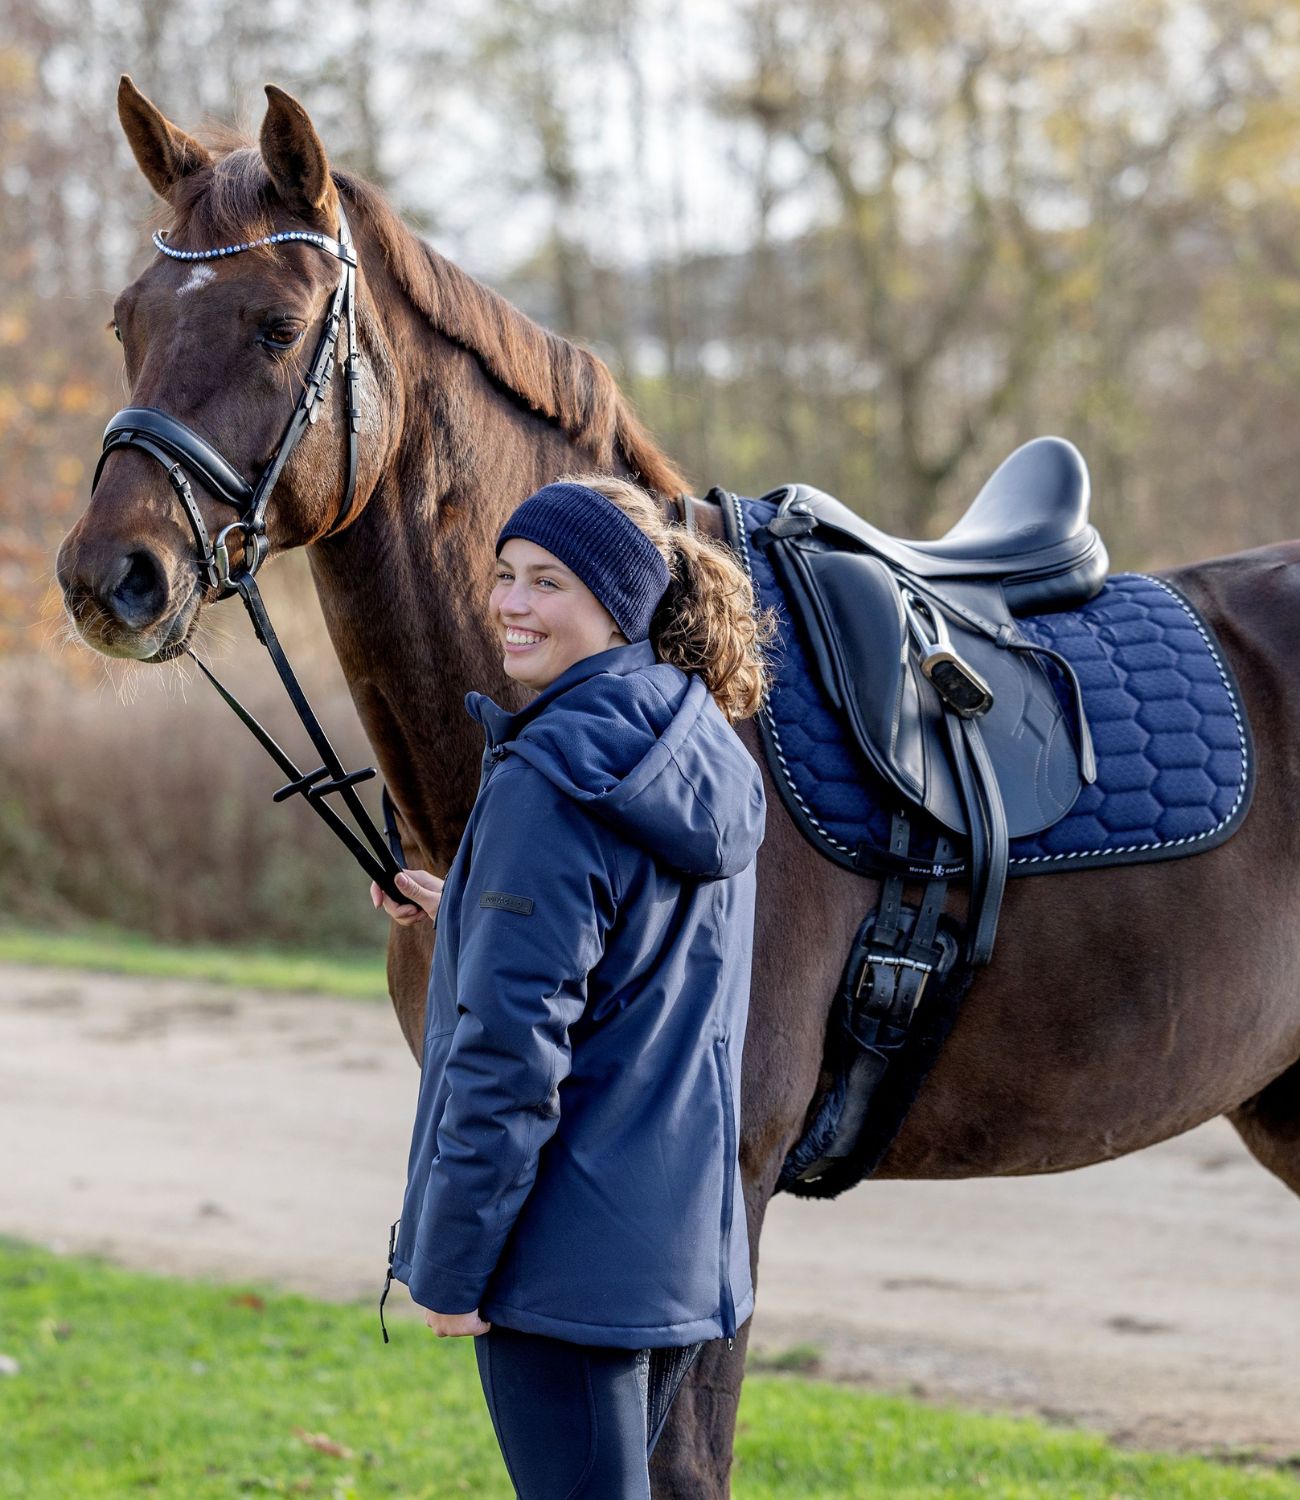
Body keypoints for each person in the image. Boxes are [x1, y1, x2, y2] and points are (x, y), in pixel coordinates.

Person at [373, 474, 775, 1498]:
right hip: (670, 1252)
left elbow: (509, 1061)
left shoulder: (546, 784)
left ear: (619, 604)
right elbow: (632, 951)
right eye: (505, 574)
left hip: (561, 1272)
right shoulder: (687, 738)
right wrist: (469, 902)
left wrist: (455, 1266)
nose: (510, 603)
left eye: (547, 582)